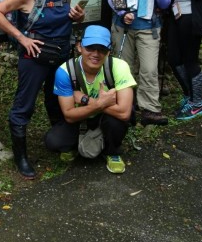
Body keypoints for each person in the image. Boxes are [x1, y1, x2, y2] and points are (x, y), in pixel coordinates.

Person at [0, 0, 85, 180]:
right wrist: (21, 38)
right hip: (34, 59)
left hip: (60, 56)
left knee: (57, 101)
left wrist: (78, 16)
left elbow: (67, 18)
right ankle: (21, 157)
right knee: (24, 105)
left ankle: (60, 143)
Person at [45, 25, 136, 174]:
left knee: (116, 122)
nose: (95, 54)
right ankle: (78, 143)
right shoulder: (65, 71)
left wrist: (88, 101)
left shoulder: (119, 67)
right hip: (81, 118)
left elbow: (124, 112)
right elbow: (68, 115)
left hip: (106, 117)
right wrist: (101, 103)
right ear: (79, 46)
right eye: (90, 48)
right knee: (53, 141)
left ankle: (112, 152)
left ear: (109, 51)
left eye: (102, 49)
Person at [108, 0, 171, 126]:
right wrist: (121, 13)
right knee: (123, 68)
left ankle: (150, 108)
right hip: (122, 27)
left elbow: (165, 3)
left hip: (149, 27)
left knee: (149, 69)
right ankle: (126, 105)